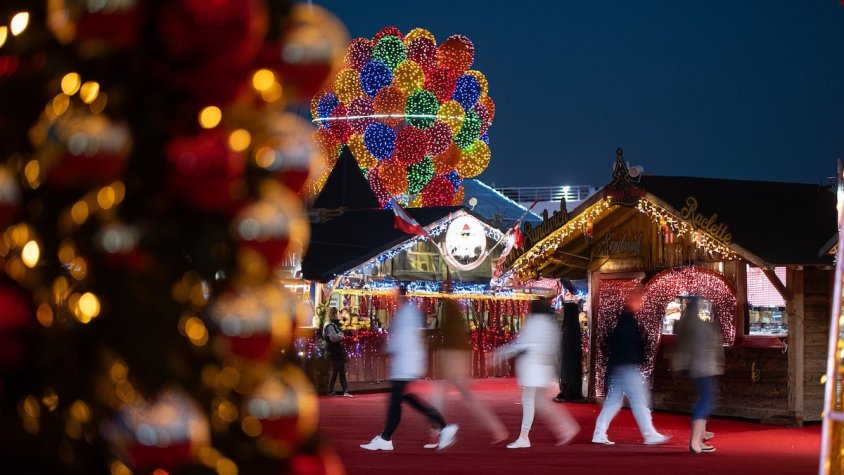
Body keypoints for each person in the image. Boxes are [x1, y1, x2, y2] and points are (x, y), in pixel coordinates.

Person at [360, 286, 458, 451]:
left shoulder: (405, 314)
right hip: (407, 363)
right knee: (405, 399)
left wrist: (388, 350)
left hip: (404, 364)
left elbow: (402, 339)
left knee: (396, 400)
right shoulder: (409, 312)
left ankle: (386, 437)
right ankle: (443, 427)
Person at [424, 283, 508, 448]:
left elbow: (438, 335)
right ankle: (498, 429)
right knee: (466, 397)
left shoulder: (444, 311)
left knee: (438, 394)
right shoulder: (457, 317)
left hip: (450, 356)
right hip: (458, 356)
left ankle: (435, 431)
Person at [591, 285, 670, 445]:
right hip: (627, 366)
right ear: (634, 299)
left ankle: (599, 432)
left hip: (621, 366)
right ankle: (649, 434)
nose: (641, 303)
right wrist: (638, 358)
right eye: (640, 299)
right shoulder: (628, 321)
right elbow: (628, 344)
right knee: (639, 400)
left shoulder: (625, 319)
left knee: (614, 402)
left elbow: (613, 343)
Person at [496, 298, 580, 449]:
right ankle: (566, 427)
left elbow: (522, 344)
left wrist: (501, 353)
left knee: (529, 401)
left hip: (531, 368)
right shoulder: (550, 324)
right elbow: (554, 347)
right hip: (543, 368)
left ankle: (524, 436)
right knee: (540, 401)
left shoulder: (534, 323)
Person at [673, 295, 723, 453]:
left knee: (705, 400)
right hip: (704, 366)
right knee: (705, 401)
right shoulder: (699, 325)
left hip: (698, 366)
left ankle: (700, 435)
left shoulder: (686, 322)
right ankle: (696, 441)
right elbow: (710, 341)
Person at [555, 301, 584, 403]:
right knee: (572, 371)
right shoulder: (574, 326)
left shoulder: (567, 327)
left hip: (567, 356)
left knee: (567, 371)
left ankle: (568, 390)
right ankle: (572, 390)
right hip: (573, 356)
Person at [323, 307, 352, 397]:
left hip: (333, 351)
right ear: (334, 314)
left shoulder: (332, 324)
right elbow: (333, 338)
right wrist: (341, 335)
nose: (339, 315)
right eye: (337, 313)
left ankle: (330, 391)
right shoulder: (330, 325)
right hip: (334, 351)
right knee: (341, 370)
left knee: (335, 371)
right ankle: (346, 391)